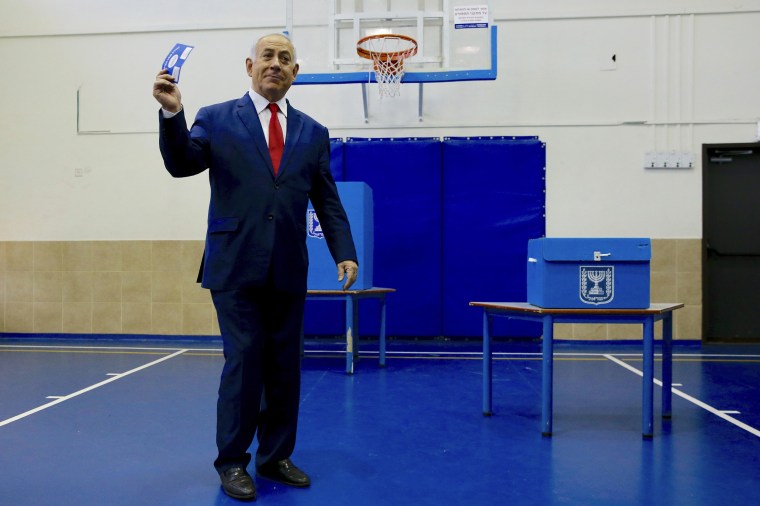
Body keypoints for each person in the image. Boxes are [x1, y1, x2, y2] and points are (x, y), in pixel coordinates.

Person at [152, 33, 359, 501]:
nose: (275, 64)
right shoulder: (216, 118)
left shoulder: (313, 132)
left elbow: (326, 199)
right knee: (244, 362)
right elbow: (183, 163)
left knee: (285, 366)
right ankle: (232, 461)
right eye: (267, 56)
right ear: (249, 66)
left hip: (288, 265)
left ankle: (275, 456)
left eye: (285, 59)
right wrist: (171, 113)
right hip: (235, 264)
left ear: (295, 72)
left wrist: (343, 250)